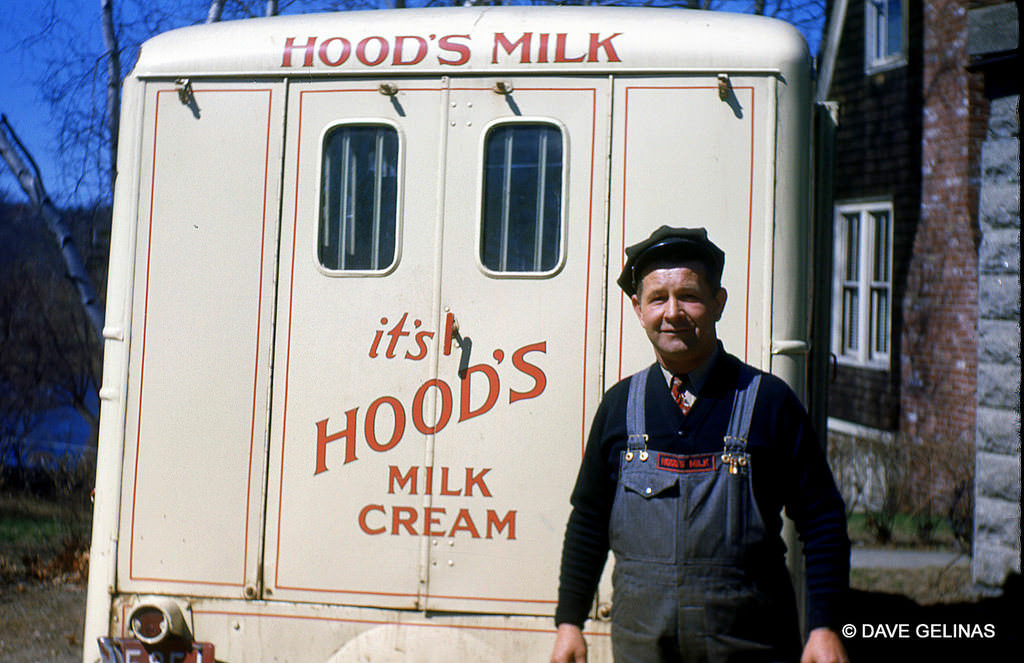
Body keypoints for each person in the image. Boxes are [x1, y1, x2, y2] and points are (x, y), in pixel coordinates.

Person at [550, 226, 850, 663]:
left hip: (750, 645)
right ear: (638, 308)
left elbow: (822, 520)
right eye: (657, 298)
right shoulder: (619, 407)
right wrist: (569, 622)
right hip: (642, 645)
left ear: (717, 302)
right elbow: (589, 522)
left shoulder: (768, 402)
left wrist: (825, 626)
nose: (672, 312)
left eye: (688, 295)